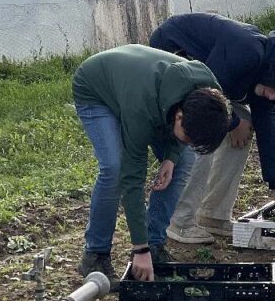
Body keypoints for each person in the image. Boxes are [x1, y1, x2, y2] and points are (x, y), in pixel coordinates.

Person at [148, 13, 275, 243]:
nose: (273, 96)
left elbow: (269, 133)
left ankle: (213, 214)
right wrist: (232, 122)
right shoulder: (246, 50)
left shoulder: (266, 79)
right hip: (173, 52)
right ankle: (180, 221)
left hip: (214, 80)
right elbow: (205, 92)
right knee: (204, 134)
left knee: (245, 129)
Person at [72, 45, 231, 283]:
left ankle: (155, 243)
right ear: (179, 117)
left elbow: (184, 133)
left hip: (149, 93)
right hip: (97, 88)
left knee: (182, 162)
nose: (187, 142)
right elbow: (132, 179)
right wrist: (139, 249)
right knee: (114, 169)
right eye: (187, 138)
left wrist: (171, 157)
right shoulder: (142, 108)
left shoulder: (211, 97)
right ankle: (95, 253)